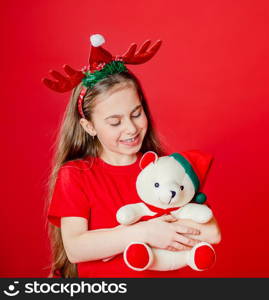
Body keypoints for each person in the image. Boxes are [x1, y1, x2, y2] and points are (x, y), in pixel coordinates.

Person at [43, 34, 221, 278]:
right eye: (115, 122)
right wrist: (144, 232)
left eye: (136, 114)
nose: (130, 128)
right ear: (89, 127)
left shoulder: (162, 169)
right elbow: (76, 248)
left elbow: (212, 233)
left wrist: (109, 241)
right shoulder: (75, 175)